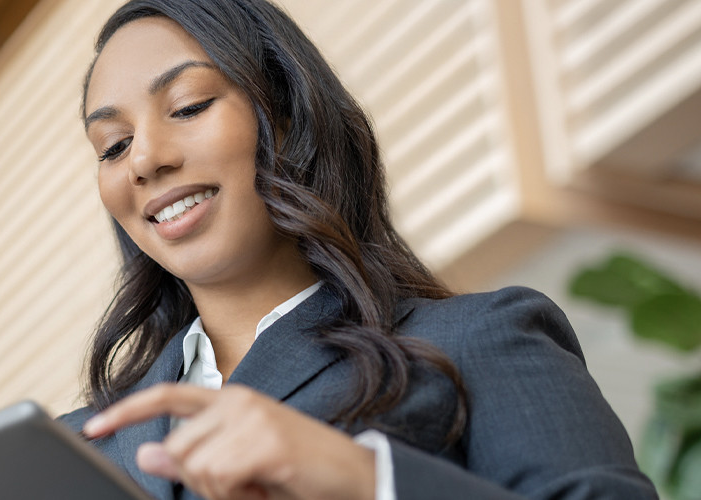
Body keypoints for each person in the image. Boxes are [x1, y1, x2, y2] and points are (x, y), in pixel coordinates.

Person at [55, 1, 659, 499]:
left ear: (287, 115)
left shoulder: (477, 342)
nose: (143, 159)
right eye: (112, 145)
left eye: (188, 107)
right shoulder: (71, 450)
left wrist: (368, 481)